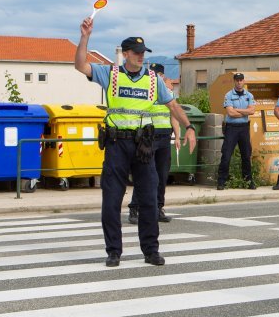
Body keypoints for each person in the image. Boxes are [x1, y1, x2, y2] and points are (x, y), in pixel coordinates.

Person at [75, 18, 196, 268]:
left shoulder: (153, 80)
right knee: (111, 200)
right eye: (138, 53)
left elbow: (173, 105)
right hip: (117, 144)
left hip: (143, 147)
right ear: (126, 54)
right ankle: (114, 251)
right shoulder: (111, 74)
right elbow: (80, 65)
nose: (142, 56)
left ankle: (151, 251)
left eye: (144, 53)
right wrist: (85, 37)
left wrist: (190, 126)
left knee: (149, 200)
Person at [127, 63, 177, 224]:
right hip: (148, 137)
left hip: (164, 137)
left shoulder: (168, 92)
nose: (157, 77)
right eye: (155, 74)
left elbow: (174, 114)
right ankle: (134, 208)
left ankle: (158, 208)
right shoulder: (145, 91)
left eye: (160, 74)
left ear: (163, 76)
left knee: (162, 175)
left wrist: (177, 134)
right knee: (144, 174)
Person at [217, 72, 257, 190]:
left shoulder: (249, 95)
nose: (239, 82)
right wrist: (245, 111)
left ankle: (248, 181)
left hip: (244, 128)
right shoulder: (228, 95)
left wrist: (238, 110)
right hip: (231, 128)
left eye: (241, 80)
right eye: (237, 80)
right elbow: (230, 113)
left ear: (244, 81)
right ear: (234, 81)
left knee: (246, 155)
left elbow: (252, 111)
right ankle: (221, 181)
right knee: (226, 155)